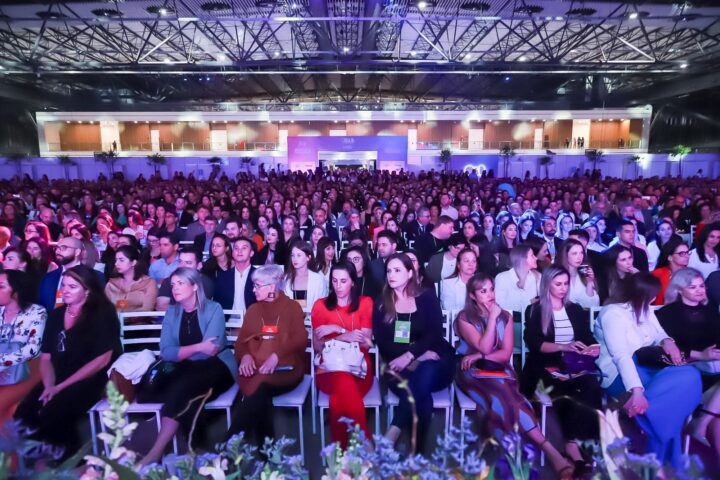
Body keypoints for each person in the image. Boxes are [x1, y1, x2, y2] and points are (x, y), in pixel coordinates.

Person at [454, 273, 573, 478]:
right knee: (504, 398)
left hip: (500, 370)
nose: (490, 294)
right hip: (472, 373)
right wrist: (491, 320)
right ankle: (541, 455)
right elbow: (485, 345)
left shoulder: (506, 317)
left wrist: (479, 355)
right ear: (473, 296)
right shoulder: (465, 318)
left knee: (508, 397)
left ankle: (518, 456)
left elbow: (505, 354)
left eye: (491, 289)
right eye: (483, 291)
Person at [595, 272, 702, 467]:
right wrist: (636, 391)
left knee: (690, 374)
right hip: (620, 374)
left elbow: (658, 332)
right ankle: (661, 454)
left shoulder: (644, 308)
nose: (655, 299)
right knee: (673, 402)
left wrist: (668, 341)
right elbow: (621, 356)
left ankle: (654, 441)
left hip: (648, 367)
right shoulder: (613, 313)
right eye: (653, 295)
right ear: (640, 295)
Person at [15, 265, 122, 456]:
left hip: (90, 378)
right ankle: (44, 459)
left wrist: (60, 387)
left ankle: (72, 462)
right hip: (58, 374)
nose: (65, 290)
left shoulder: (103, 314)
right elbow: (46, 357)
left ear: (87, 290)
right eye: (64, 286)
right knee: (25, 412)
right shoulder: (56, 315)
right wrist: (49, 385)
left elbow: (101, 360)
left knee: (53, 412)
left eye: (72, 287)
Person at [136, 268, 236, 467]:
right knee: (186, 392)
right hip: (185, 369)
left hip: (218, 367)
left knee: (182, 387)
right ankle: (195, 449)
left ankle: (157, 452)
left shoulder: (213, 308)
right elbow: (165, 351)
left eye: (180, 283)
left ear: (195, 286)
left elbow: (212, 350)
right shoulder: (172, 312)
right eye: (173, 285)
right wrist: (198, 346)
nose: (175, 288)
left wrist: (181, 352)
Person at [372, 253, 455, 454]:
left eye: (397, 270)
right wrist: (416, 355)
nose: (391, 275)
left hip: (436, 362)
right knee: (422, 397)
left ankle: (392, 433)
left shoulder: (426, 296)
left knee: (426, 370)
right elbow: (384, 343)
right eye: (389, 271)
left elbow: (435, 334)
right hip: (397, 367)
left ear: (410, 273)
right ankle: (417, 456)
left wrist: (412, 355)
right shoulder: (382, 303)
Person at [522, 265, 602, 470]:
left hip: (572, 363)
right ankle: (573, 447)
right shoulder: (535, 310)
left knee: (592, 387)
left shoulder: (574, 309)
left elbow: (586, 336)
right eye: (558, 284)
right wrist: (563, 346)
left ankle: (584, 442)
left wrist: (592, 348)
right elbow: (535, 344)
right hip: (543, 365)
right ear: (547, 285)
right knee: (566, 390)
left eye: (566, 284)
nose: (563, 288)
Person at [229, 265, 307, 446]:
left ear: (272, 287)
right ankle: (268, 452)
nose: (253, 289)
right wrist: (246, 356)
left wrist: (276, 355)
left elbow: (301, 339)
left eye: (257, 285)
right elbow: (241, 343)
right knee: (260, 394)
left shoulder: (292, 308)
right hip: (257, 368)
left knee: (258, 388)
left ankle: (229, 449)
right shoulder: (253, 310)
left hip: (287, 370)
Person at [656, 268, 720, 455]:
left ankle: (701, 422)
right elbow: (665, 351)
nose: (700, 290)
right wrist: (701, 355)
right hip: (685, 369)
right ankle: (702, 422)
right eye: (693, 287)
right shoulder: (667, 314)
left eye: (702, 286)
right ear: (679, 289)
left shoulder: (710, 311)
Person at [311, 262, 374, 449]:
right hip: (328, 367)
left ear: (353, 282)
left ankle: (341, 456)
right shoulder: (321, 306)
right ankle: (365, 446)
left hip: (359, 367)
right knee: (341, 381)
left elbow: (366, 343)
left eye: (344, 281)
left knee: (339, 395)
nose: (338, 286)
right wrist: (345, 336)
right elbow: (317, 346)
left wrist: (337, 329)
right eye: (335, 281)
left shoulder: (365, 303)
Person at [0, 271, 47, 423]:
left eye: (1, 287)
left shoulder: (37, 312)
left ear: (16, 291)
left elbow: (32, 349)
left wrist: (2, 363)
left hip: (29, 366)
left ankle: (7, 444)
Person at [104, 245, 158, 313]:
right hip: (114, 322)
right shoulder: (111, 284)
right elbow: (106, 308)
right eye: (116, 260)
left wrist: (126, 318)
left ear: (133, 262)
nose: (116, 263)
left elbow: (147, 309)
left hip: (139, 322)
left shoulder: (149, 282)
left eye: (121, 260)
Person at [213, 237, 256, 314]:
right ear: (232, 253)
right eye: (236, 248)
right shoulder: (222, 277)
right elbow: (217, 304)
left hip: (252, 320)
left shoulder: (258, 276)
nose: (239, 251)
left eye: (244, 248)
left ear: (251, 253)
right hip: (228, 322)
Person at [494, 245, 541, 313]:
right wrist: (529, 302)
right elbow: (500, 305)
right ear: (522, 259)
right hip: (510, 320)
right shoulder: (502, 278)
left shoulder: (537, 276)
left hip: (530, 320)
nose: (536, 258)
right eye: (532, 255)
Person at [554, 238, 599, 308]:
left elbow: (593, 306)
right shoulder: (556, 275)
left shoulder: (585, 273)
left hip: (583, 317)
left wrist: (590, 283)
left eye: (581, 253)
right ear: (565, 255)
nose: (579, 257)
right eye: (574, 253)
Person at [283, 240, 328, 309]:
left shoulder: (318, 279)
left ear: (308, 257)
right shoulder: (286, 278)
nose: (295, 259)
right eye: (293, 255)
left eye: (299, 255)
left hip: (313, 318)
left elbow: (323, 304)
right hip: (291, 317)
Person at [650, 237, 690, 305]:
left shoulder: (690, 274)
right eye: (682, 253)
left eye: (687, 252)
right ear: (670, 257)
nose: (687, 256)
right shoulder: (657, 274)